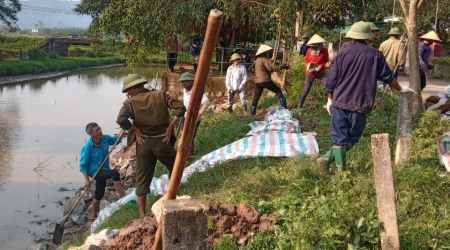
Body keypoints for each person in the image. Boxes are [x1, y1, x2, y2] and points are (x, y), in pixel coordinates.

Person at [317, 21, 416, 176]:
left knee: (339, 137)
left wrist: (330, 99)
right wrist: (401, 89)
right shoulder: (375, 55)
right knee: (354, 136)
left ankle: (333, 164)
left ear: (352, 36)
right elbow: (388, 77)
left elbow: (332, 81)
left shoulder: (343, 53)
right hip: (360, 102)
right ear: (368, 37)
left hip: (340, 101)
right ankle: (338, 169)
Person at [117, 74, 186, 218]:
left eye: (128, 91)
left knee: (142, 179)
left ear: (134, 89)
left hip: (143, 143)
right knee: (177, 167)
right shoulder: (160, 95)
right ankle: (177, 195)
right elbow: (180, 108)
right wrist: (169, 127)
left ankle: (142, 213)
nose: (127, 94)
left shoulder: (130, 103)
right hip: (163, 140)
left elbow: (121, 120)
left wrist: (135, 130)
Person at [79, 123, 125, 221]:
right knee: (114, 173)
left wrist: (123, 128)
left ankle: (93, 214)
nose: (100, 131)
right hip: (95, 172)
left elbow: (116, 140)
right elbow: (83, 166)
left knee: (99, 193)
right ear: (91, 134)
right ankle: (122, 196)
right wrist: (87, 181)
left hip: (104, 169)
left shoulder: (104, 139)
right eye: (96, 130)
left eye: (99, 129)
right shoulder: (87, 147)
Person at [251, 44, 290, 115]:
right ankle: (285, 109)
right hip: (265, 80)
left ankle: (252, 113)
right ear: (264, 53)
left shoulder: (257, 60)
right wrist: (282, 66)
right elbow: (271, 68)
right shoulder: (264, 59)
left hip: (257, 82)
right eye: (267, 52)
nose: (268, 53)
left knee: (256, 97)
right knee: (278, 91)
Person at [178, 72, 211, 156]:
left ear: (191, 81)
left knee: (191, 135)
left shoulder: (197, 91)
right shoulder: (185, 90)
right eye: (182, 82)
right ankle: (186, 152)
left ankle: (190, 153)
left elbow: (207, 103)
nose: (183, 84)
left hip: (194, 117)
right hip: (185, 116)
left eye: (185, 81)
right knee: (184, 133)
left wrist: (199, 114)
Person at [298, 34, 330, 109]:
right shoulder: (309, 50)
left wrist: (321, 66)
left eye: (316, 44)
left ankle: (330, 104)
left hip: (320, 72)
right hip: (310, 72)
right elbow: (306, 61)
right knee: (306, 90)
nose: (314, 46)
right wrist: (308, 66)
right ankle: (299, 107)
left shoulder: (324, 51)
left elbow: (326, 61)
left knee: (329, 86)